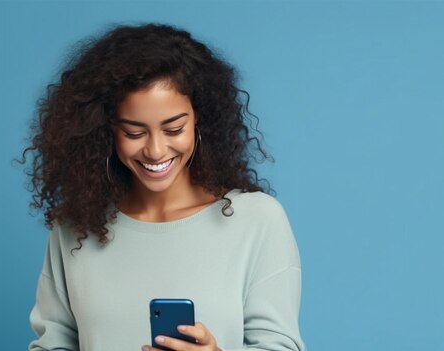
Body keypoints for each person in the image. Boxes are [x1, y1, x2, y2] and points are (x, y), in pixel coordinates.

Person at [17, 22, 306, 351]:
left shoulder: (257, 220)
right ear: (104, 131)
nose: (155, 150)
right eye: (134, 132)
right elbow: (51, 344)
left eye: (174, 128)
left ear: (201, 121)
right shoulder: (75, 227)